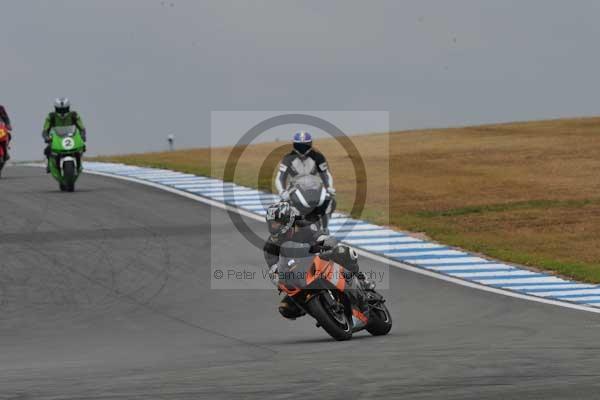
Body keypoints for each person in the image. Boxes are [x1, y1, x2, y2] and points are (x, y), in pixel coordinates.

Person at [264, 201, 372, 320]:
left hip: (317, 258)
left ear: (287, 220)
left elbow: (319, 236)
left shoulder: (303, 225)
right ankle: (323, 313)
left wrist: (325, 243)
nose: (273, 226)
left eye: (276, 223)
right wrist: (278, 279)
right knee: (285, 308)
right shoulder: (270, 246)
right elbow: (274, 268)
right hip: (297, 274)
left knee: (343, 252)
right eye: (271, 224)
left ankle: (362, 280)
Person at [275, 131, 336, 231]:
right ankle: (284, 231)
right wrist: (282, 191)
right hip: (294, 189)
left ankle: (325, 228)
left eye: (305, 146)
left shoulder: (318, 157)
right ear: (294, 145)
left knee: (331, 202)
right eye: (299, 146)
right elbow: (280, 177)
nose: (302, 149)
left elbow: (326, 174)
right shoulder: (288, 158)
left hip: (315, 188)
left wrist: (329, 188)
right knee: (283, 206)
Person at [42, 98, 86, 172]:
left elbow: (81, 128)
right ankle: (49, 165)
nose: (62, 112)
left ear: (68, 108)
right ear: (56, 108)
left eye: (64, 109)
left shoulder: (74, 115)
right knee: (47, 150)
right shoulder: (51, 117)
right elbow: (45, 130)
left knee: (82, 147)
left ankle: (79, 164)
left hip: (72, 137)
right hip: (57, 138)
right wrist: (46, 137)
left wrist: (82, 135)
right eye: (60, 110)